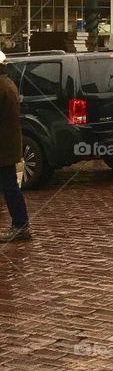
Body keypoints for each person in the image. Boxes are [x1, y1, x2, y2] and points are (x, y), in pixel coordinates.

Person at [0, 50, 30, 242]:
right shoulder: (7, 84)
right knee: (9, 185)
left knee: (10, 187)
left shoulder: (1, 87)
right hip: (7, 145)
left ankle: (21, 224)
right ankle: (21, 224)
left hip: (4, 147)